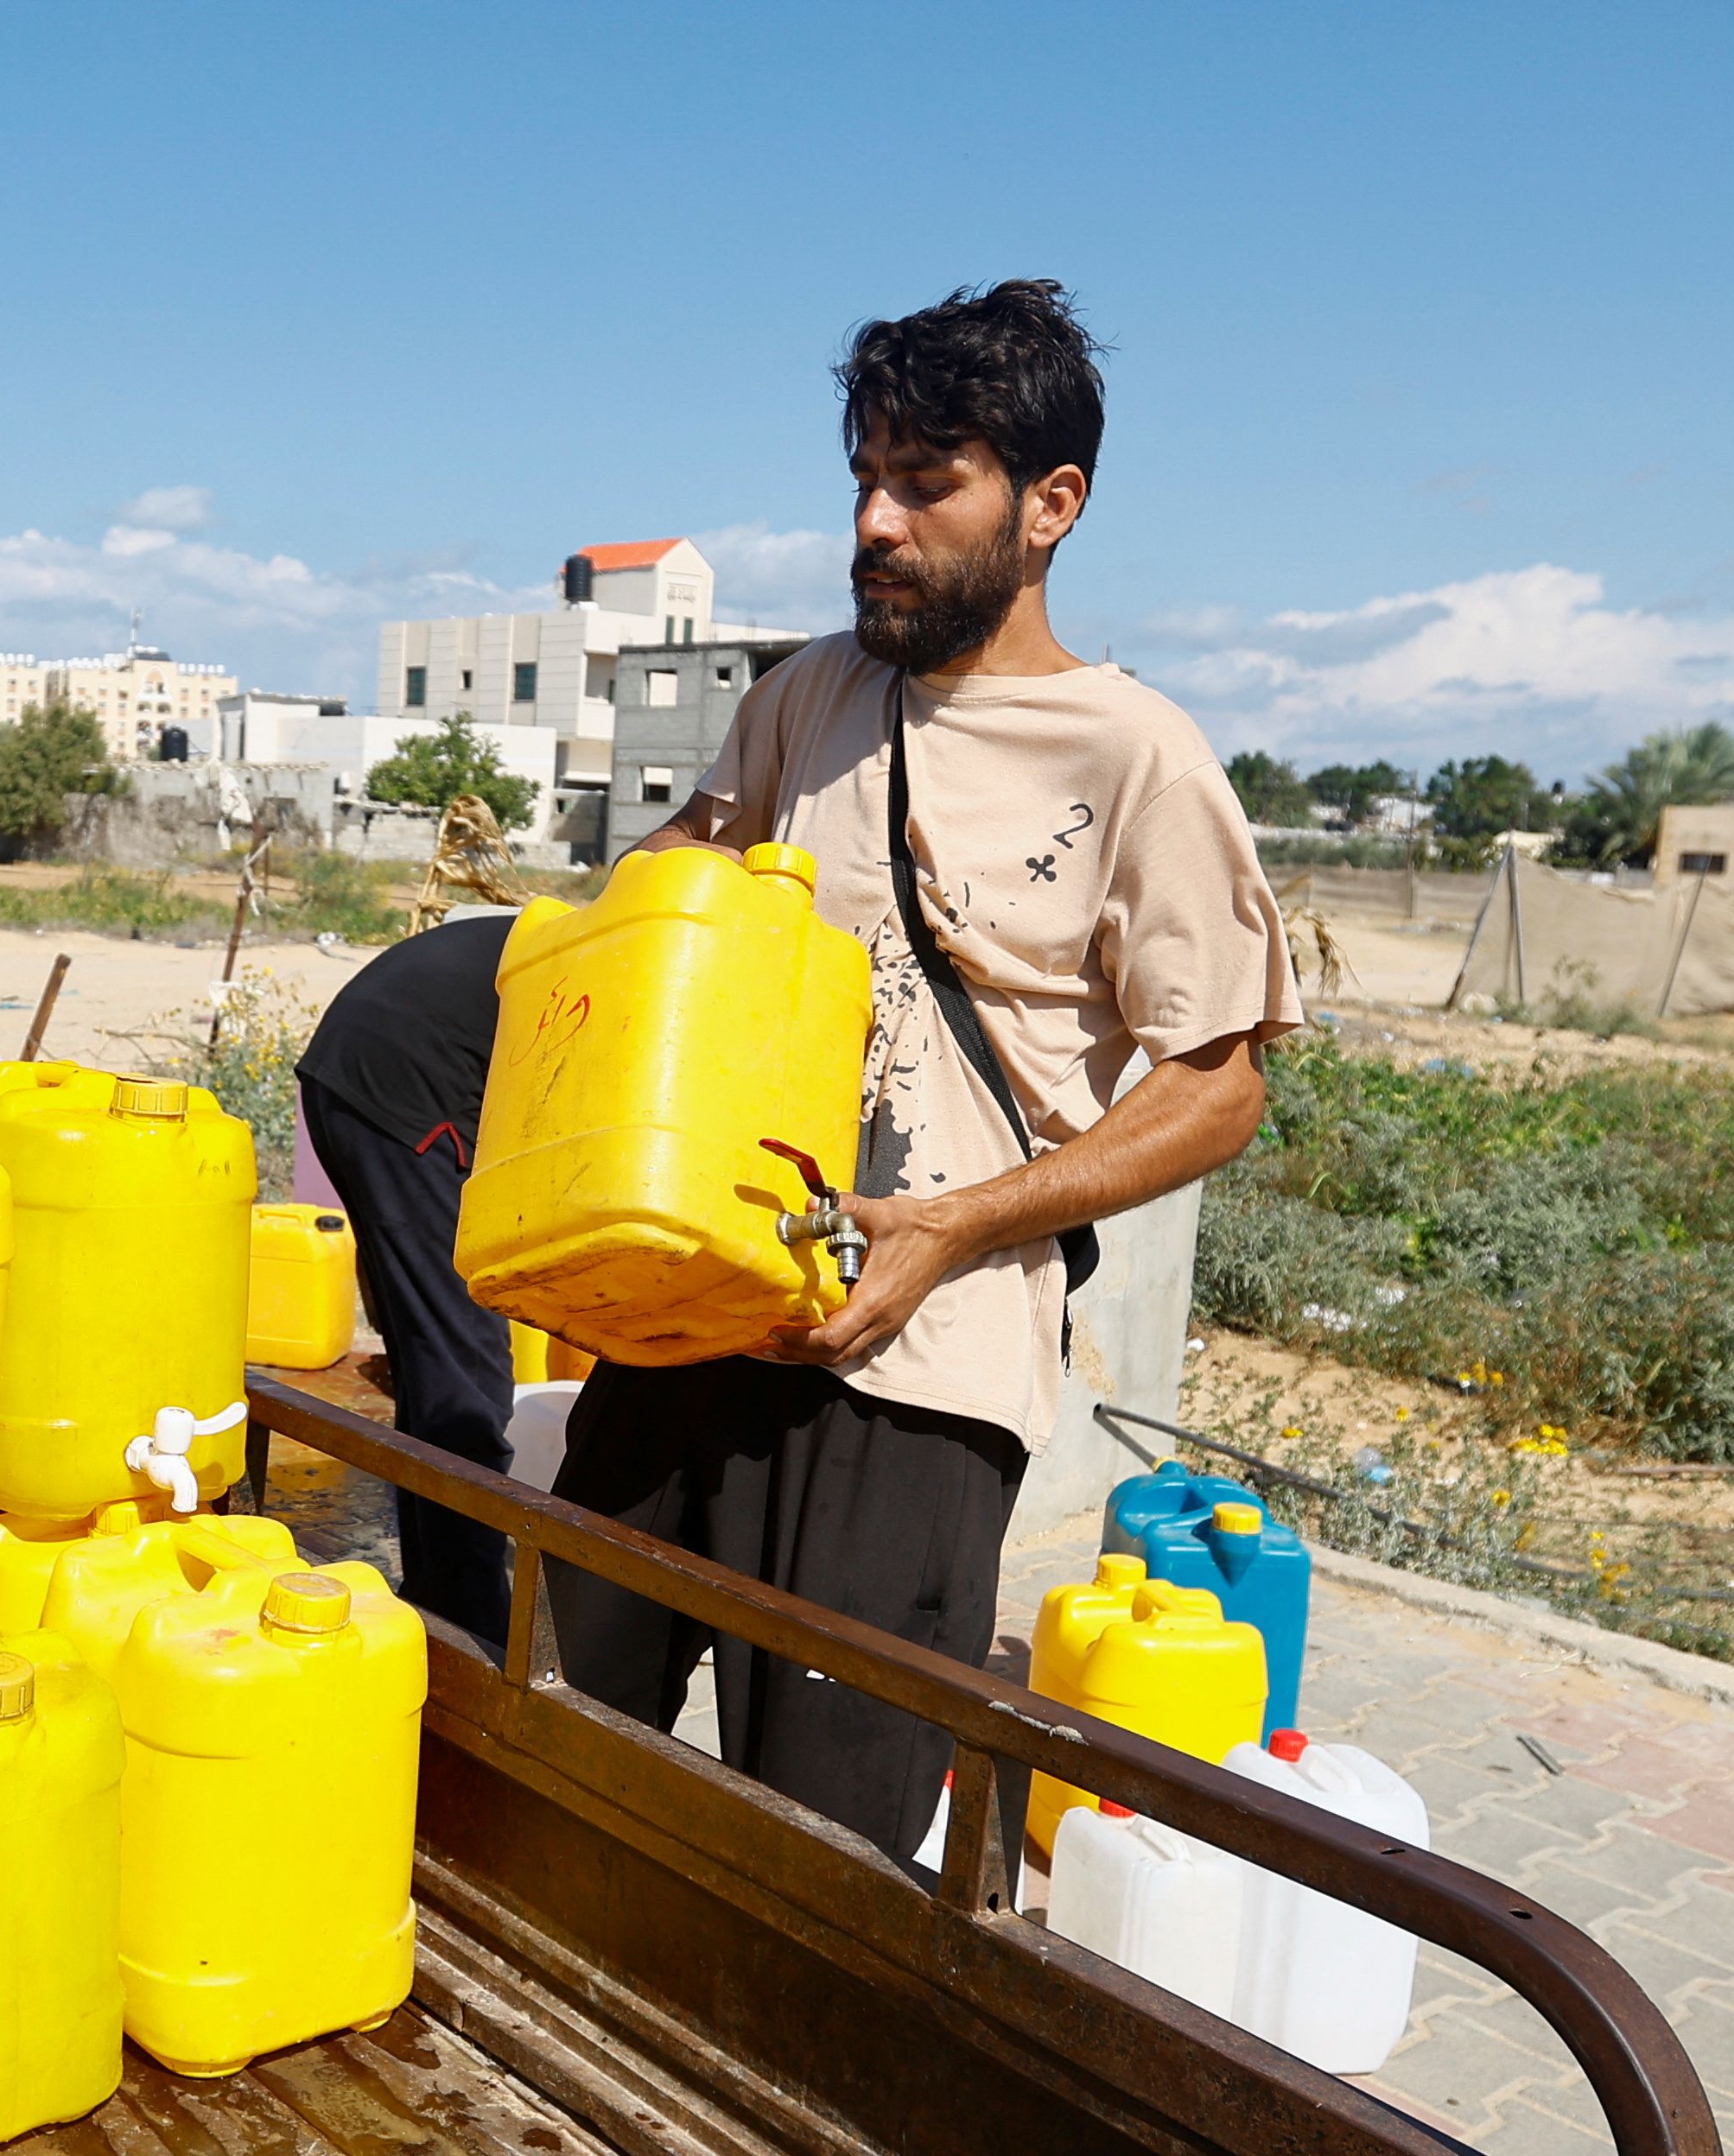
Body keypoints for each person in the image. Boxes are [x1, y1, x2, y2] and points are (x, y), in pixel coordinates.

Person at [549, 280, 1305, 1867]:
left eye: (923, 481)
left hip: (917, 1380)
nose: (872, 523)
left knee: (822, 1846)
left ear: (1049, 505)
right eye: (861, 480)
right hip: (692, 1312)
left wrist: (954, 1225)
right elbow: (667, 927)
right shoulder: (802, 699)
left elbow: (1216, 1085)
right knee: (553, 1736)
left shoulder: (1134, 758)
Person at [294, 911, 517, 1644]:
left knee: (432, 1354)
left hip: (353, 1065)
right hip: (411, 1085)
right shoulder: (662, 978)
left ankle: (440, 1588)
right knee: (465, 1360)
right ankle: (470, 1618)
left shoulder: (629, 945)